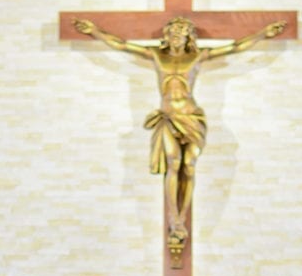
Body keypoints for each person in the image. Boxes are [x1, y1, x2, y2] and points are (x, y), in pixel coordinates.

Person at [73, 16, 286, 247]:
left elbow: (235, 47)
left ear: (188, 37)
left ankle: (182, 216)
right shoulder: (157, 56)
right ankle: (175, 219)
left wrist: (263, 34)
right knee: (173, 162)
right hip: (167, 117)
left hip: (191, 117)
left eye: (180, 34)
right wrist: (95, 31)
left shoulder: (198, 56)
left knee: (190, 165)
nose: (175, 37)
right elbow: (122, 45)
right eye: (171, 33)